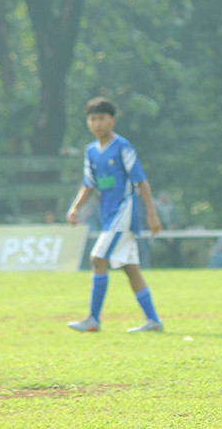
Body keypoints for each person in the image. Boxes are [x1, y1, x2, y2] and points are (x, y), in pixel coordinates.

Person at [66, 97, 165, 332]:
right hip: (109, 215)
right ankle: (153, 321)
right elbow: (89, 184)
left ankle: (93, 319)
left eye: (101, 118)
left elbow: (141, 181)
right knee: (131, 270)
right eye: (92, 119)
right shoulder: (91, 151)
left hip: (124, 212)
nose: (96, 123)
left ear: (113, 120)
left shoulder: (123, 147)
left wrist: (152, 214)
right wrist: (75, 207)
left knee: (97, 259)